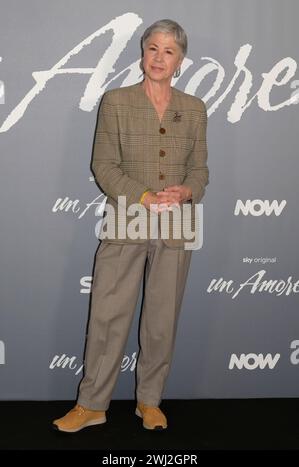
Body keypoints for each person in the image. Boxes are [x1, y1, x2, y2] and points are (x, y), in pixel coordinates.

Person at [53, 18, 209, 432]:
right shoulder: (116, 101)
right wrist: (143, 196)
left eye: (168, 51)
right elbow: (102, 165)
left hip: (177, 223)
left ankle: (150, 401)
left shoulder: (194, 108)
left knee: (162, 319)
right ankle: (91, 405)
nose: (159, 58)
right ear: (143, 54)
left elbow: (200, 170)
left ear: (180, 60)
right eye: (152, 49)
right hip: (126, 217)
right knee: (107, 313)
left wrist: (186, 192)